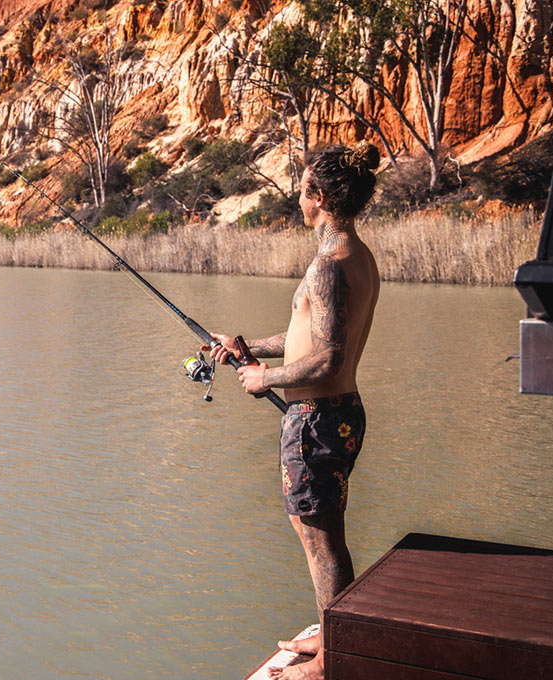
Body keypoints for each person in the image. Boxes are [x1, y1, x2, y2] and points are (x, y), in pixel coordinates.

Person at [210, 141, 381, 680]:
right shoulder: (360, 255)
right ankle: (335, 637)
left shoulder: (329, 265)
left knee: (319, 540)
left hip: (316, 421)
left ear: (321, 197)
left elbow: (325, 357)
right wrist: (248, 348)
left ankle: (336, 656)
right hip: (341, 413)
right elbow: (309, 338)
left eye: (303, 191)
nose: (297, 200)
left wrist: (265, 380)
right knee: (326, 531)